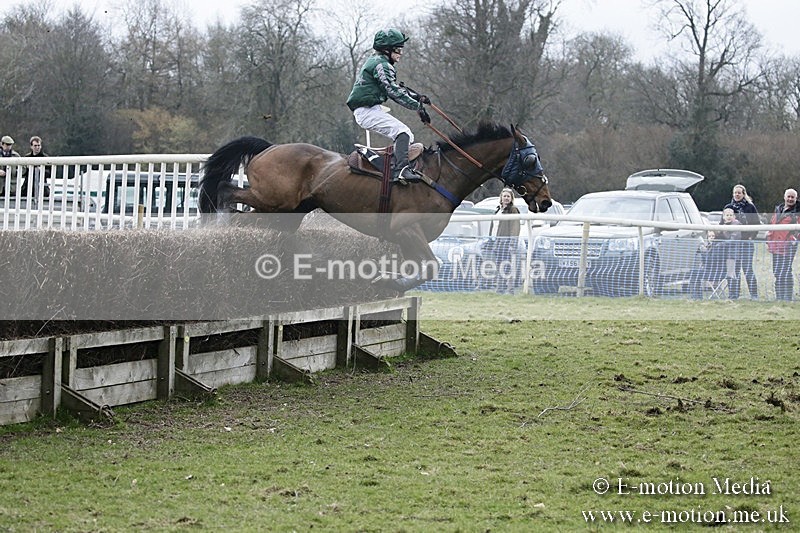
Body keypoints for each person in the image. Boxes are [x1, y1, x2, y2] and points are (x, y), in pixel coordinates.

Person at [346, 28, 430, 185]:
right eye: (398, 50)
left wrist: (416, 97)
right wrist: (417, 107)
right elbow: (392, 91)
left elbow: (394, 88)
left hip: (371, 109)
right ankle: (401, 170)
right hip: (366, 111)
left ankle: (395, 164)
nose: (400, 54)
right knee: (402, 132)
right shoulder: (382, 65)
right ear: (387, 49)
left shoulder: (378, 61)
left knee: (408, 136)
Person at [724, 184, 760, 299]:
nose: (737, 195)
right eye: (735, 193)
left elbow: (757, 224)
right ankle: (733, 295)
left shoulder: (750, 207)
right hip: (732, 245)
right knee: (734, 270)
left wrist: (751, 237)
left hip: (746, 244)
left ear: (743, 194)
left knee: (747, 269)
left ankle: (754, 295)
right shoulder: (728, 207)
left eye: (739, 193)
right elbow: (722, 223)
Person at [766, 188, 799, 301]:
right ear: (784, 197)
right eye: (788, 196)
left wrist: (793, 239)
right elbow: (772, 225)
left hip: (788, 246)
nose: (790, 199)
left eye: (792, 197)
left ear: (796, 198)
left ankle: (787, 297)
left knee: (785, 270)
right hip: (775, 245)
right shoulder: (778, 209)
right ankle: (779, 297)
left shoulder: (797, 213)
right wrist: (769, 239)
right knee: (776, 271)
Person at [488, 188, 521, 294]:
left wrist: (512, 243)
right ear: (501, 198)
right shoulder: (498, 210)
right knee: (499, 266)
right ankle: (500, 288)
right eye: (504, 196)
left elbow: (515, 227)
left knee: (507, 266)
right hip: (496, 242)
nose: (506, 198)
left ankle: (510, 289)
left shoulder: (513, 210)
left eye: (508, 196)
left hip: (506, 242)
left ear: (511, 198)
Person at [715, 207, 742, 299]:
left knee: (732, 274)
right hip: (726, 254)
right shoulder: (723, 225)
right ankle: (732, 294)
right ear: (723, 217)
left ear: (734, 216)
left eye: (731, 215)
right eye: (727, 215)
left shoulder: (736, 225)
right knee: (730, 274)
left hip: (733, 254)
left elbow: (733, 240)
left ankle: (733, 295)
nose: (729, 217)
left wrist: (721, 244)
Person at [21, 136, 51, 200]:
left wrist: (41, 170)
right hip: (27, 187)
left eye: (38, 145)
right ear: (31, 146)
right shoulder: (27, 158)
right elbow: (23, 173)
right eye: (35, 146)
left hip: (42, 187)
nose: (37, 147)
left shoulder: (45, 158)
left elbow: (49, 173)